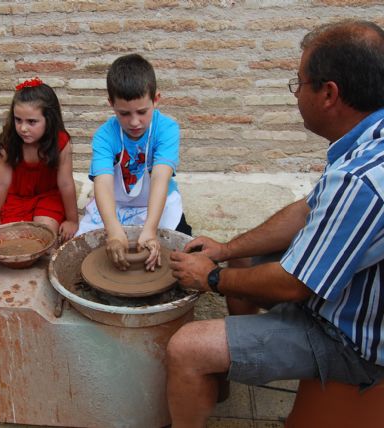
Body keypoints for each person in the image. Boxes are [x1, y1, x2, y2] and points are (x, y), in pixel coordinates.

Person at [167, 20, 384, 427]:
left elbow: (294, 284)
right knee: (245, 262)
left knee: (186, 347)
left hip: (352, 339)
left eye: (299, 83)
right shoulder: (369, 140)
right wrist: (227, 251)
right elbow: (308, 209)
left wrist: (210, 278)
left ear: (329, 94)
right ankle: (237, 364)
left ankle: (215, 361)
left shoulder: (361, 180)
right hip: (349, 298)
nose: (296, 93)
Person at [77, 53, 192, 271]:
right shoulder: (104, 135)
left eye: (142, 112)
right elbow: (102, 183)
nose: (134, 121)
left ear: (156, 99)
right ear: (111, 104)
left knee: (184, 252)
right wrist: (114, 231)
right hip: (117, 203)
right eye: (124, 113)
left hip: (157, 200)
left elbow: (160, 177)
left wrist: (150, 229)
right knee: (82, 253)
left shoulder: (167, 129)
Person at [0, 77, 78, 242]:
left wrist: (72, 220)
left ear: (49, 120)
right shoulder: (8, 142)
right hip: (17, 197)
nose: (23, 128)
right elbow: (1, 182)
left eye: (32, 122)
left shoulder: (61, 142)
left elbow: (66, 183)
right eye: (18, 120)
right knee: (11, 240)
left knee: (43, 235)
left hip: (49, 196)